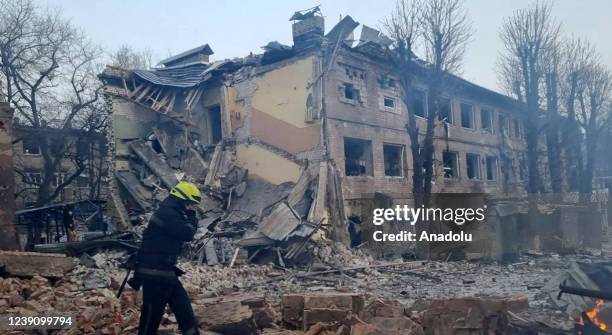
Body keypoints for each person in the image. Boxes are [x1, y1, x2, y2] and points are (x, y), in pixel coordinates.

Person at [130, 181, 202, 335]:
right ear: (181, 200)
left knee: (183, 309)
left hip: (165, 272)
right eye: (190, 204)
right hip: (154, 273)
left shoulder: (171, 212)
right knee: (151, 317)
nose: (192, 208)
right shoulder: (167, 214)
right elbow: (187, 233)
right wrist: (192, 218)